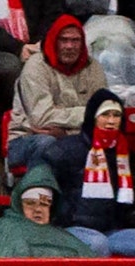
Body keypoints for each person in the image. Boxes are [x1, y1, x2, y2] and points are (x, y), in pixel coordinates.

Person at [31, 89, 135, 266]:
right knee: (97, 244)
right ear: (93, 118)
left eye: (116, 115)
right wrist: (61, 217)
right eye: (105, 115)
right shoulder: (66, 148)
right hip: (70, 228)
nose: (111, 121)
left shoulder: (125, 154)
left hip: (111, 230)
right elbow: (39, 182)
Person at [0, 164, 110, 266]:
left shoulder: (66, 238)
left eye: (44, 204)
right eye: (30, 203)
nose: (37, 210)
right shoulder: (7, 227)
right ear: (19, 203)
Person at [7, 15, 106, 170]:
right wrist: (88, 114)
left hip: (76, 138)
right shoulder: (36, 66)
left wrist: (67, 132)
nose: (69, 46)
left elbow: (103, 115)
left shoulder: (94, 68)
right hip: (26, 139)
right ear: (54, 41)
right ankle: (39, 192)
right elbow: (42, 119)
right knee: (48, 144)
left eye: (75, 41)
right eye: (63, 40)